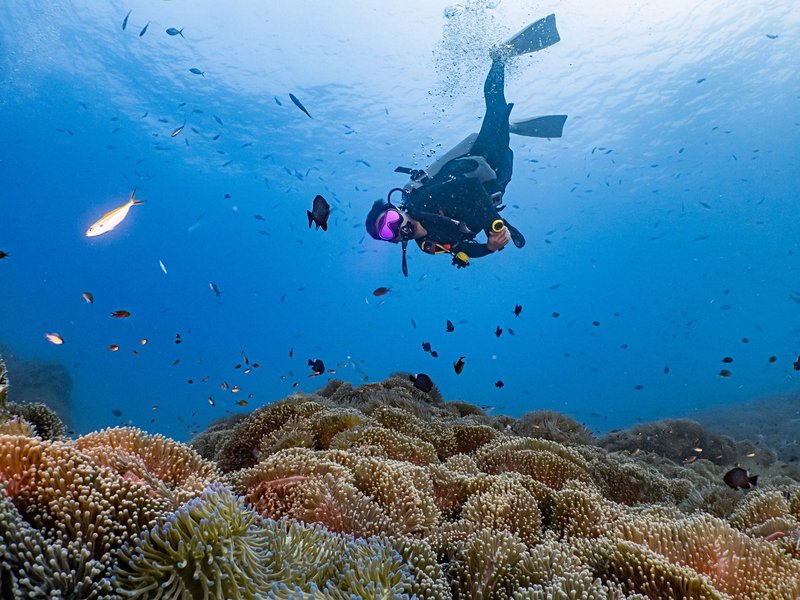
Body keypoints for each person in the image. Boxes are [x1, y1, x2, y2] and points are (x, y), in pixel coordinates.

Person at [365, 14, 567, 276]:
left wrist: (493, 222)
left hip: (484, 161)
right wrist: (490, 246)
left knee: (495, 110)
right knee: (499, 128)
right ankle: (506, 126)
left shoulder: (425, 199)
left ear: (399, 212)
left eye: (391, 220)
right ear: (392, 242)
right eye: (387, 231)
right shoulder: (428, 245)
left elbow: (470, 187)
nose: (394, 228)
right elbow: (464, 248)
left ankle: (499, 57)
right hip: (499, 180)